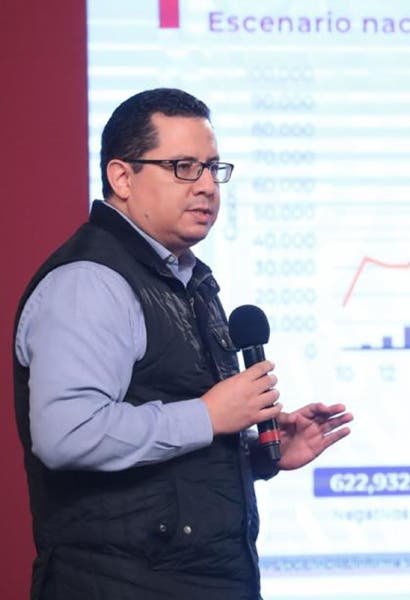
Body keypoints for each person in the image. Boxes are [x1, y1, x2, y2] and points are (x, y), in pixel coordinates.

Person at [14, 88, 353, 600]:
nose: (207, 186)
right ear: (122, 177)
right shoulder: (90, 282)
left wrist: (256, 452)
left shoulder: (186, 277)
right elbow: (67, 433)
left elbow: (171, 442)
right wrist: (208, 415)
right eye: (183, 167)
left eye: (212, 168)